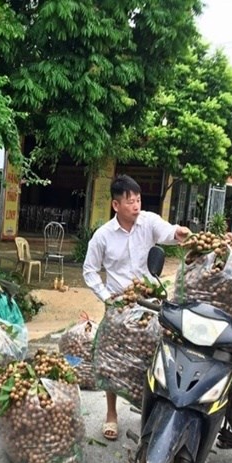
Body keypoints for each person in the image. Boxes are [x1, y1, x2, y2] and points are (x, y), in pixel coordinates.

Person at [82, 174, 190, 440]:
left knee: (153, 357)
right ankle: (111, 414)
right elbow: (90, 271)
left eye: (138, 199)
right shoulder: (103, 236)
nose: (136, 205)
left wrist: (180, 233)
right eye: (130, 201)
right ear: (116, 205)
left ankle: (150, 410)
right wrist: (108, 297)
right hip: (119, 305)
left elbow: (169, 232)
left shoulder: (148, 222)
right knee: (111, 361)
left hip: (149, 305)